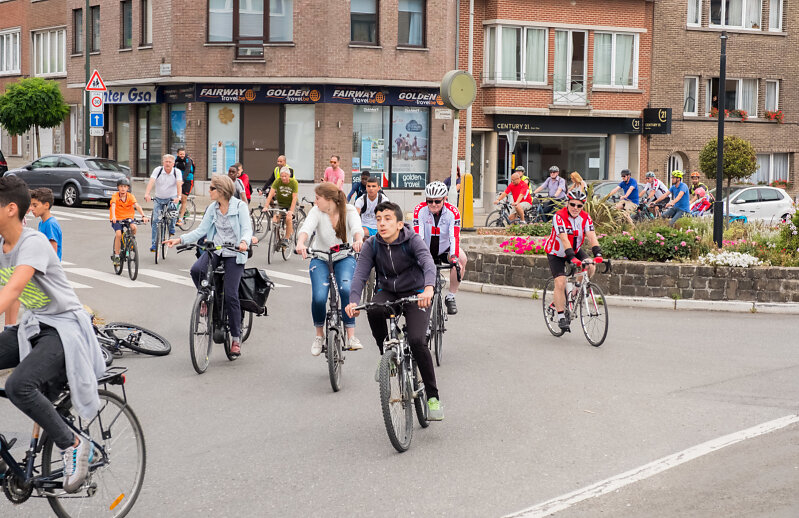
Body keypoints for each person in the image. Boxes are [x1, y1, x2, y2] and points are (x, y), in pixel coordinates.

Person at [0, 174, 105, 493]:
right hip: (34, 326)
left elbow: (13, 288)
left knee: (19, 385)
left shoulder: (32, 243)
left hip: (63, 328)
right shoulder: (1, 246)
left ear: (10, 209)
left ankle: (72, 443)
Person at [346, 202, 444, 419]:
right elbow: (360, 274)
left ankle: (432, 397)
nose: (382, 223)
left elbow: (428, 263)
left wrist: (428, 288)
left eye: (388, 219)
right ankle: (386, 356)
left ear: (399, 224)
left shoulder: (412, 240)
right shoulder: (372, 244)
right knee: (373, 309)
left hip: (417, 293)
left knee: (417, 341)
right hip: (389, 292)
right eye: (378, 219)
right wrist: (353, 301)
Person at [164, 175, 252, 357]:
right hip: (216, 249)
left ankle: (236, 338)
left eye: (212, 188)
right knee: (196, 270)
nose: (209, 191)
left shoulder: (240, 207)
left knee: (231, 294)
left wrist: (244, 241)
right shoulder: (213, 208)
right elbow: (201, 230)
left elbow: (246, 229)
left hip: (234, 252)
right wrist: (180, 239)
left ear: (221, 191)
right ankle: (205, 300)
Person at [296, 182, 364, 353]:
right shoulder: (316, 211)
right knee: (319, 297)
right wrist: (301, 243)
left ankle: (351, 336)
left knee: (346, 289)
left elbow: (357, 228)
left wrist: (358, 240)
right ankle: (319, 336)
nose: (315, 201)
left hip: (344, 257)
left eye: (318, 198)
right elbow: (306, 228)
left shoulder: (349, 210)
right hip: (321, 258)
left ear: (329, 199)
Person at [543, 189, 602, 332]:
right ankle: (561, 316)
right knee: (560, 282)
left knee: (590, 266)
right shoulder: (559, 216)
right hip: (556, 252)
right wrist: (571, 258)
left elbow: (592, 236)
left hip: (575, 250)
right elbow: (564, 239)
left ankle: (575, 291)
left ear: (583, 206)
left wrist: (598, 253)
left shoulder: (586, 218)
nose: (575, 208)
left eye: (579, 205)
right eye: (572, 204)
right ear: (567, 203)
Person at [413, 181, 467, 315]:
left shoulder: (453, 212)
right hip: (425, 248)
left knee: (461, 260)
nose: (433, 204)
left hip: (445, 249)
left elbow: (454, 236)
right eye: (429, 201)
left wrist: (453, 257)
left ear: (445, 199)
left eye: (437, 201)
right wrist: (420, 256)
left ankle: (451, 296)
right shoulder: (420, 210)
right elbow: (418, 236)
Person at [144, 154, 182, 252]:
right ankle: (154, 244)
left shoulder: (177, 172)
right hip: (159, 198)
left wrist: (178, 197)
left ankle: (172, 227)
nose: (168, 164)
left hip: (171, 198)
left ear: (173, 164)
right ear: (163, 162)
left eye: (170, 162)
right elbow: (151, 181)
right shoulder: (158, 170)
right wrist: (147, 194)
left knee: (173, 212)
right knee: (156, 221)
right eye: (166, 162)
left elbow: (179, 184)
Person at [109, 178, 148, 266]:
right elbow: (113, 205)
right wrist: (114, 216)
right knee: (119, 234)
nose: (123, 188)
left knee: (134, 227)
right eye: (121, 186)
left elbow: (137, 205)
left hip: (128, 217)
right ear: (118, 187)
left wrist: (143, 215)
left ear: (128, 188)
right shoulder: (115, 196)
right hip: (117, 218)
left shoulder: (130, 196)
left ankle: (131, 241)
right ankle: (117, 256)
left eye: (125, 186)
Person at [262, 166, 299, 247]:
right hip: (280, 204)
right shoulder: (277, 181)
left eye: (285, 176)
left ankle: (286, 238)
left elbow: (294, 198)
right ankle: (277, 238)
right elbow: (270, 194)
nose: (283, 178)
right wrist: (266, 206)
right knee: (275, 219)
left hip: (290, 204)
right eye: (282, 176)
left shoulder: (294, 183)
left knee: (288, 218)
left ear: (289, 175)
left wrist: (291, 211)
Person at [29, 188, 62, 261]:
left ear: (46, 205)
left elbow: (53, 252)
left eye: (35, 205)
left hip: (49, 266)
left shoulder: (51, 224)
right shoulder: (42, 223)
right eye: (31, 205)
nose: (31, 208)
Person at [174, 148, 194, 226]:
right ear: (177, 154)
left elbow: (187, 170)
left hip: (188, 180)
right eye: (180, 154)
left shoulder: (188, 160)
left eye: (183, 154)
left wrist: (183, 180)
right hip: (179, 180)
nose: (182, 155)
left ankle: (181, 219)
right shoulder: (176, 160)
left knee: (183, 198)